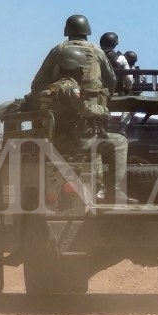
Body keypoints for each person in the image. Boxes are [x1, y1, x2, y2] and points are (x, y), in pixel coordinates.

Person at [30, 15, 137, 204]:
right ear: (87, 31)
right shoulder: (96, 51)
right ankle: (116, 192)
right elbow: (111, 80)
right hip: (83, 130)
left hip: (55, 134)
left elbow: (37, 83)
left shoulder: (58, 51)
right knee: (119, 142)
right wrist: (103, 104)